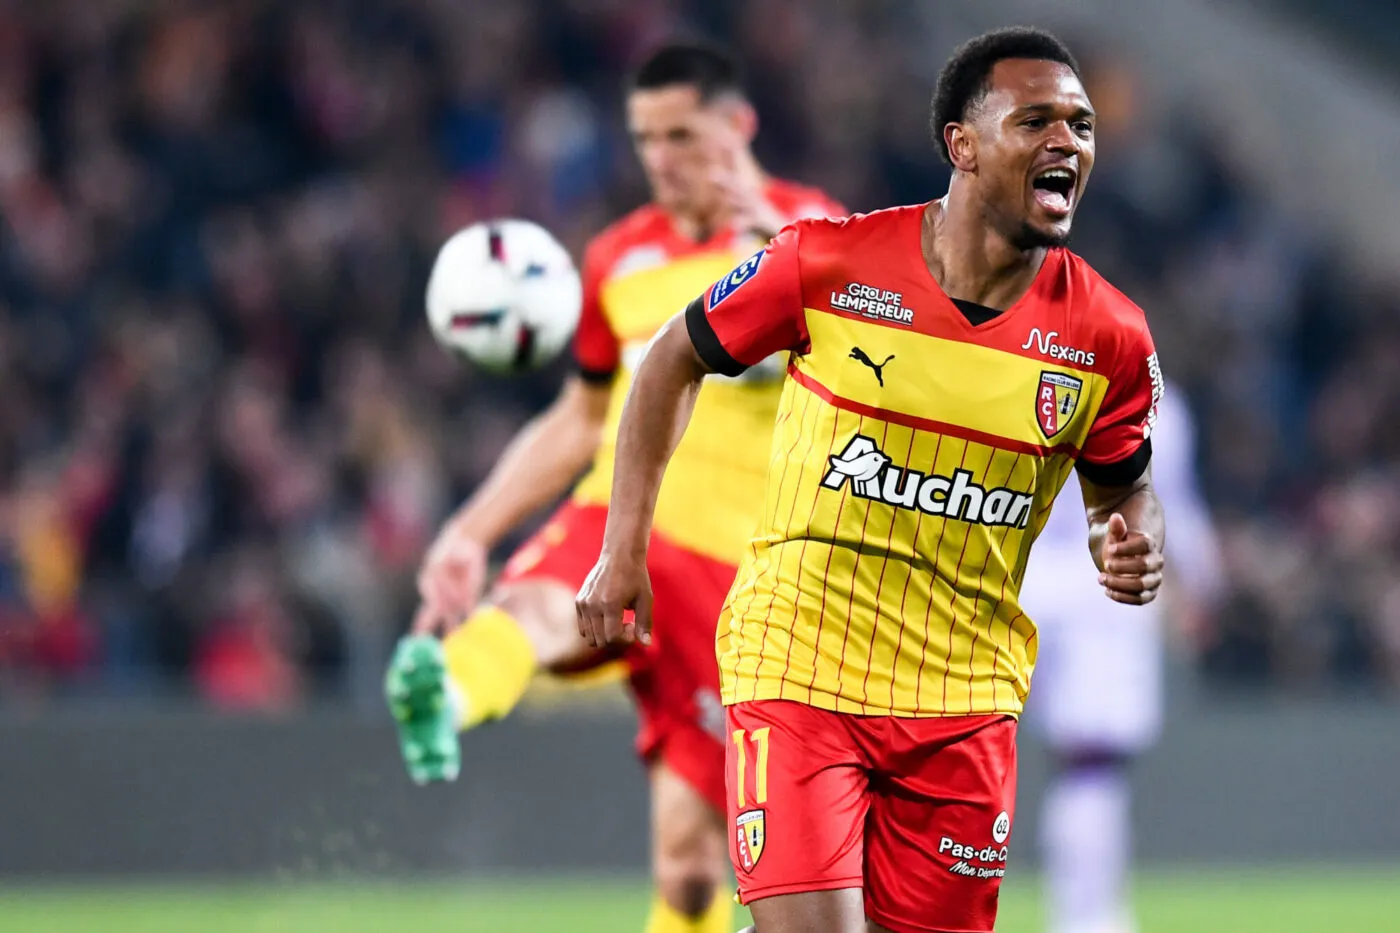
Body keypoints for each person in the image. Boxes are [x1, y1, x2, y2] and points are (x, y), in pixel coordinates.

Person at [576, 26, 1166, 933]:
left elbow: (1122, 487)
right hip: (802, 663)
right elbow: (667, 363)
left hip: (965, 701)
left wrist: (1125, 538)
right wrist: (622, 551)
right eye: (1037, 120)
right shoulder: (829, 263)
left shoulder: (1108, 335)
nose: (1068, 142)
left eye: (1081, 126)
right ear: (961, 145)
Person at [383, 43, 844, 933]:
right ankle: (450, 685)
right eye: (646, 138)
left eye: (682, 134)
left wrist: (787, 264)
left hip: (738, 576)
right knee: (534, 605)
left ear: (739, 126)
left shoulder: (815, 233)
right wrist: (470, 532)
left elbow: (874, 387)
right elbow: (581, 420)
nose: (663, 158)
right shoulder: (617, 259)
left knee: (690, 869)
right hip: (624, 527)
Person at [1019, 379, 1221, 933]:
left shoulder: (1016, 361)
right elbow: (1169, 501)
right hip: (1098, 589)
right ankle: (1088, 920)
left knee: (948, 745)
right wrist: (1203, 583)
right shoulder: (1158, 402)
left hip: (1007, 575)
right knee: (1091, 764)